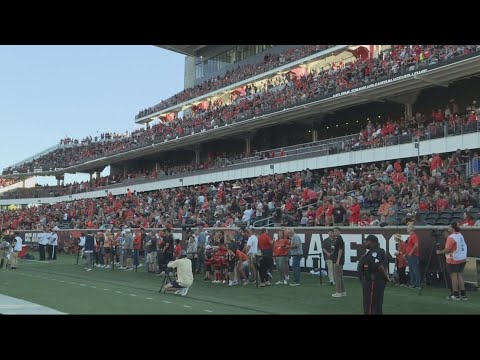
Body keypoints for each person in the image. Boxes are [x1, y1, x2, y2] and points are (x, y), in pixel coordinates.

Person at [357, 235, 389, 314]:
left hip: (373, 282)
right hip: (375, 281)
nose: (365, 243)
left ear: (372, 242)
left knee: (371, 304)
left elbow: (380, 267)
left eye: (366, 241)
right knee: (376, 303)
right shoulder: (379, 250)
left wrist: (386, 278)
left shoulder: (375, 252)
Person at [436, 222, 468, 300]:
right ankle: (463, 294)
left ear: (453, 228)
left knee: (453, 276)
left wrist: (440, 252)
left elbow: (448, 249)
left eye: (450, 226)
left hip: (454, 259)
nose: (448, 227)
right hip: (462, 258)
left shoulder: (451, 237)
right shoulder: (460, 235)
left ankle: (456, 294)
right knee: (459, 275)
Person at [331, 227, 346, 297]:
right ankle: (343, 291)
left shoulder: (339, 239)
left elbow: (340, 250)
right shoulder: (338, 239)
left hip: (338, 260)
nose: (335, 232)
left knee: (337, 276)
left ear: (339, 231)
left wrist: (337, 260)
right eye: (334, 231)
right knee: (340, 276)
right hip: (339, 260)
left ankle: (338, 292)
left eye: (336, 231)